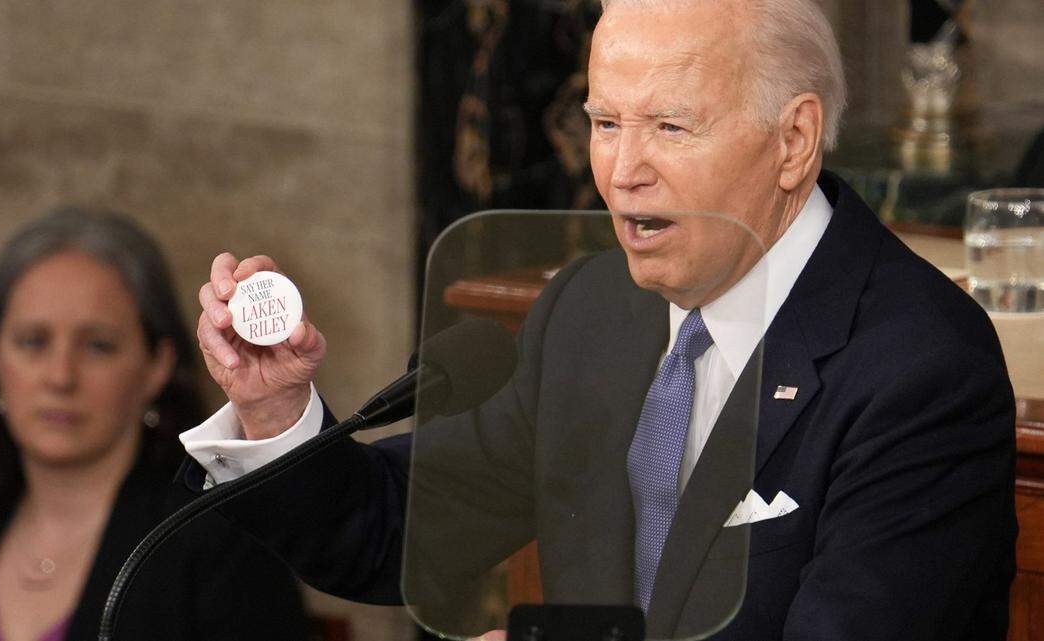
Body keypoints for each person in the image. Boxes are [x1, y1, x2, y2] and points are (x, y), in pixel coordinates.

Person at [184, 0, 1018, 639]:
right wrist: (276, 408)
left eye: (669, 127)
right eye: (605, 123)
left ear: (793, 140)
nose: (622, 173)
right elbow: (397, 529)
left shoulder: (920, 369)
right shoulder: (591, 311)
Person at [0, 209, 309, 641]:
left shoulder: (225, 550)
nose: (60, 376)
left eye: (98, 345)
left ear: (157, 365)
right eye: (33, 342)